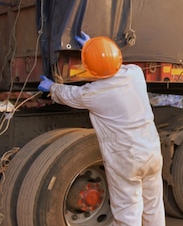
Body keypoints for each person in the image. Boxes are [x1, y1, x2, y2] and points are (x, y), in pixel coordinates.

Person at [38, 33, 166, 226]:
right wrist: (96, 49)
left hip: (126, 158)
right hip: (151, 150)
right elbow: (116, 66)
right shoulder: (135, 74)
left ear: (89, 70)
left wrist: (52, 88)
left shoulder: (93, 94)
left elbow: (68, 94)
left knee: (127, 209)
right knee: (153, 204)